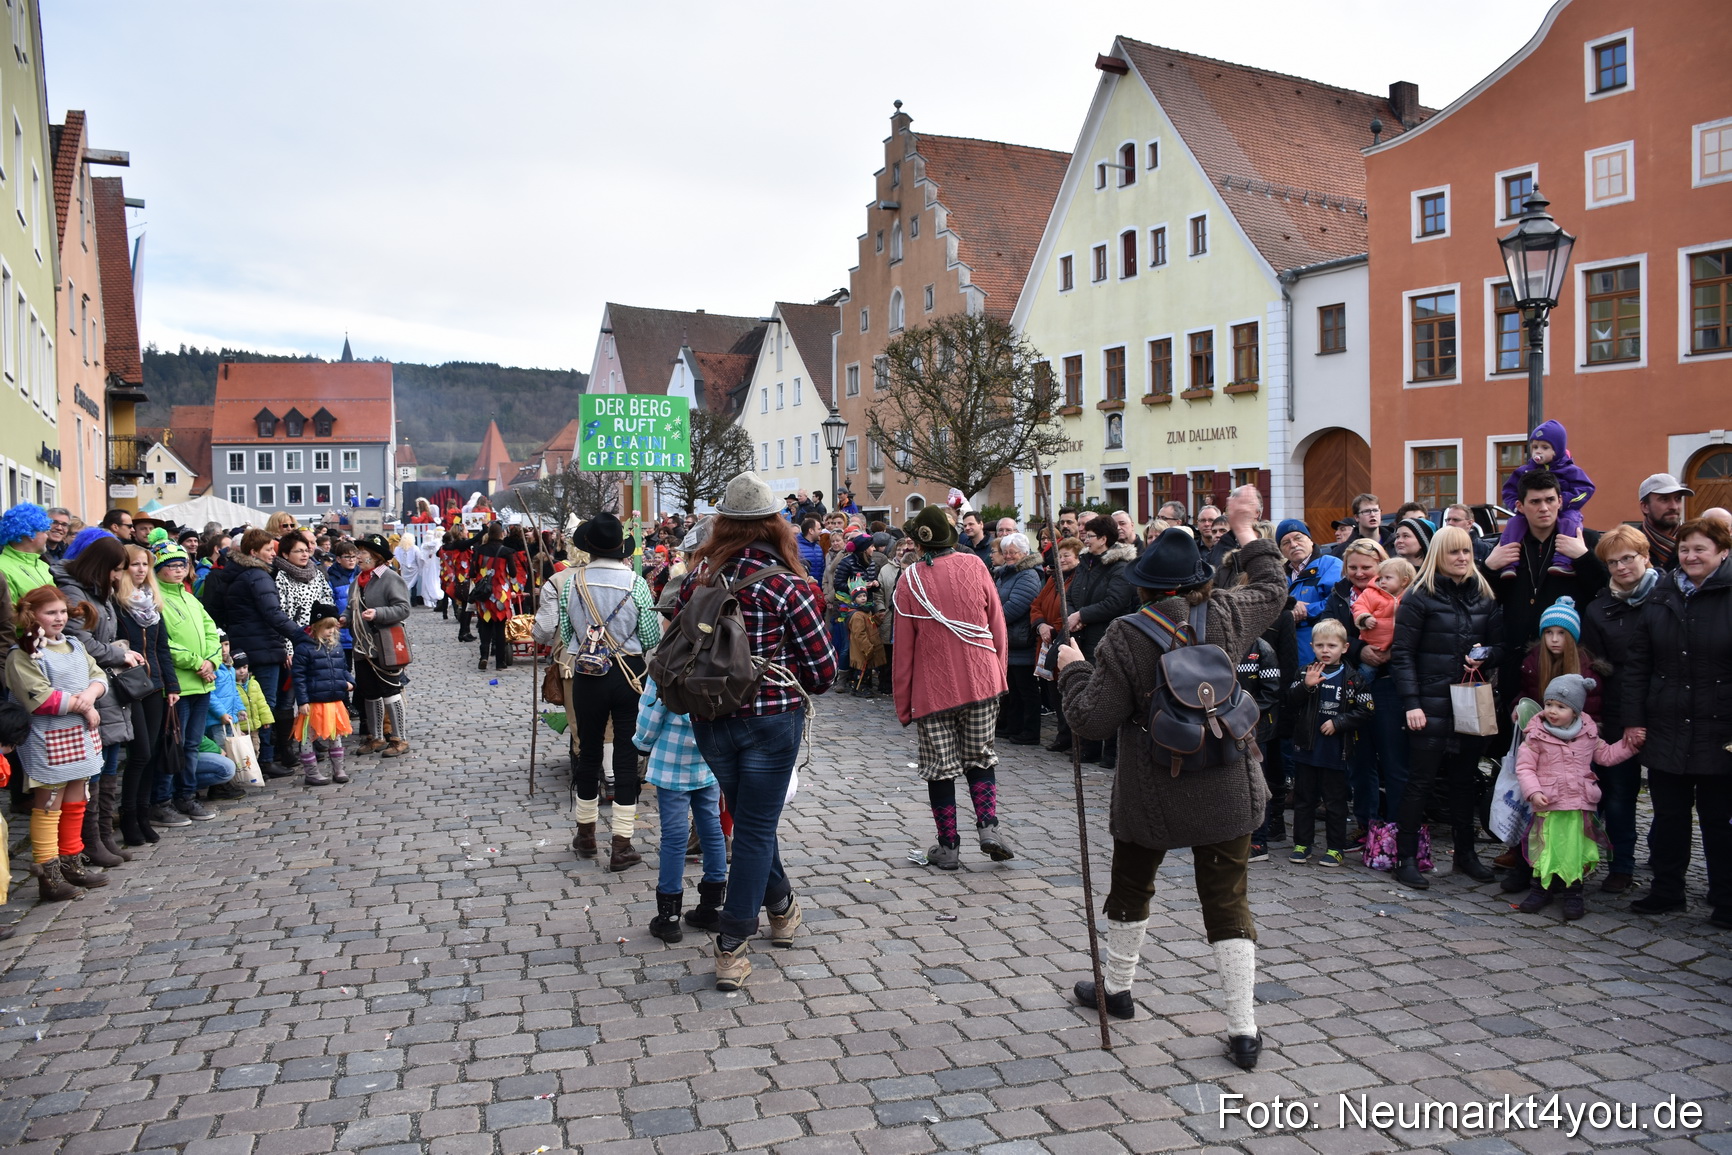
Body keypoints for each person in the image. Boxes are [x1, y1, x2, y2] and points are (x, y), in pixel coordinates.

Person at [1055, 486, 1279, 1069]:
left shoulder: (1126, 635)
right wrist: (1246, 527)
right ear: (1201, 580)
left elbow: (1090, 719)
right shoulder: (1228, 612)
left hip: (1152, 788)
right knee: (1228, 901)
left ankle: (1120, 991)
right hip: (1227, 780)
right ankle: (1243, 1028)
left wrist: (1074, 670)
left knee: (1131, 885)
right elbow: (1275, 586)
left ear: (1146, 586)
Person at [676, 471, 838, 991]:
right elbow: (823, 673)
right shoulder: (788, 584)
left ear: (722, 525)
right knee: (752, 827)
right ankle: (732, 943)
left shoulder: (697, 580)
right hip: (769, 718)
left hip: (710, 717)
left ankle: (784, 907)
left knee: (749, 822)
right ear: (776, 524)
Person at [1621, 517, 1732, 927]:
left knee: (1720, 821)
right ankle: (1667, 890)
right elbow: (1638, 664)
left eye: (1700, 549)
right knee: (1668, 816)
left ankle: (1726, 898)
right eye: (1685, 549)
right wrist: (1634, 719)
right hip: (1667, 724)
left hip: (1720, 728)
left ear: (1722, 552)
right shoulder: (1663, 595)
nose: (1691, 557)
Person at [533, 513, 659, 871]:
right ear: (622, 548)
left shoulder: (572, 583)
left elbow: (568, 635)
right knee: (624, 753)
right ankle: (621, 844)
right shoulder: (636, 583)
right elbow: (650, 637)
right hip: (628, 674)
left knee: (587, 750)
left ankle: (585, 834)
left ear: (588, 548)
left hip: (586, 673)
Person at [892, 505, 1013, 871]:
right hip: (982, 679)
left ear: (920, 542)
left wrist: (903, 703)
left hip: (933, 690)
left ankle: (948, 846)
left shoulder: (908, 580)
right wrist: (999, 673)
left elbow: (904, 649)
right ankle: (988, 826)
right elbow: (998, 626)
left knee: (940, 768)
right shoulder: (976, 565)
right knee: (980, 756)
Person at [1390, 526, 1503, 891]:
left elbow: (1502, 644)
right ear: (1440, 554)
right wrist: (1412, 704)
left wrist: (1484, 655)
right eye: (1454, 552)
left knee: (1464, 782)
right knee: (1420, 782)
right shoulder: (1419, 597)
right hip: (1429, 704)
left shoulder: (1484, 595)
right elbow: (1402, 653)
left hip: (1468, 704)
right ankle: (1405, 857)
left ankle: (1465, 855)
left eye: (1467, 551)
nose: (1462, 558)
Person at [7, 585, 112, 902]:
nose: (59, 618)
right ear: (32, 614)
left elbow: (98, 676)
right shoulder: (22, 655)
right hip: (47, 738)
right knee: (49, 805)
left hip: (81, 734)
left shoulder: (75, 645)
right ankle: (49, 874)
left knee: (77, 800)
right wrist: (83, 705)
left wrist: (91, 697)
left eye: (62, 611)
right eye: (50, 612)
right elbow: (38, 697)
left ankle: (72, 862)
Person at [1512, 674, 1641, 920]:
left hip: (1579, 806)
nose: (1552, 711)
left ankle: (1573, 892)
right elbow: (1525, 767)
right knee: (1546, 848)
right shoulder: (1536, 735)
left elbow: (1606, 756)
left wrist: (1630, 746)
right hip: (1549, 805)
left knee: (1574, 850)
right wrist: (1534, 791)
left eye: (1560, 707)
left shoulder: (1588, 735)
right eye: (1549, 704)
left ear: (1576, 710)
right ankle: (1541, 888)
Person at [57, 535, 147, 865]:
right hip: (88, 685)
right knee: (94, 768)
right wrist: (118, 654)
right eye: (117, 569)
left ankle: (103, 836)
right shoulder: (75, 593)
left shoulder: (100, 593)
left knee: (110, 763)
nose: (118, 576)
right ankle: (89, 841)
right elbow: (80, 643)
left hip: (107, 684)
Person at [1577, 525, 1657, 893]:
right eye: (1613, 562)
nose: (1622, 567)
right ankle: (1620, 865)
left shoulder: (1668, 598)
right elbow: (1597, 667)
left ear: (1645, 557)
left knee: (1670, 798)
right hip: (1616, 712)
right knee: (1620, 795)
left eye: (1629, 558)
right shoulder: (1598, 608)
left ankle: (1665, 866)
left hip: (1664, 708)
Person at [633, 673, 728, 943]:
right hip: (707, 754)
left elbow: (651, 712)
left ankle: (669, 918)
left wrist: (641, 743)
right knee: (711, 829)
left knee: (674, 836)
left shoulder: (666, 662)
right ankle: (711, 908)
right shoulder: (716, 656)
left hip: (671, 759)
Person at [1285, 618, 1374, 868]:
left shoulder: (1354, 678)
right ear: (1312, 646)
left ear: (1344, 648)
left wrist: (1339, 722)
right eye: (1320, 645)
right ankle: (1302, 844)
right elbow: (1290, 702)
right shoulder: (1305, 672)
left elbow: (1366, 710)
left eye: (1332, 646)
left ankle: (1335, 847)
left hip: (1336, 752)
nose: (1326, 651)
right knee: (1304, 799)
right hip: (1306, 750)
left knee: (1335, 802)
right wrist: (1306, 687)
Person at [223, 530, 307, 773]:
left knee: (257, 703)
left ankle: (264, 756)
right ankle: (265, 760)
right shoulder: (257, 576)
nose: (273, 554)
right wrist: (299, 635)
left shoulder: (238, 574)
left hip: (250, 645)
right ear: (253, 552)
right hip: (263, 648)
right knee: (265, 706)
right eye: (269, 549)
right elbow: (273, 613)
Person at [154, 547, 223, 825]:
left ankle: (187, 795)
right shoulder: (156, 599)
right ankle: (162, 800)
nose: (179, 569)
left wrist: (212, 661)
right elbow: (163, 642)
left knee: (192, 745)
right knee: (174, 745)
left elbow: (210, 631)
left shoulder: (190, 597)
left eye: (182, 564)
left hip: (202, 684)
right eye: (171, 565)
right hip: (179, 685)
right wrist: (196, 662)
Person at [112, 544, 175, 846]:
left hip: (155, 684)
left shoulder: (151, 604)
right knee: (140, 755)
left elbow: (161, 648)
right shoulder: (117, 605)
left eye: (144, 565)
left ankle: (143, 812)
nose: (140, 570)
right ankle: (129, 816)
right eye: (133, 565)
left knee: (150, 755)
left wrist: (171, 686)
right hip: (129, 686)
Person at [1064, 516, 1138, 766]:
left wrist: (1082, 615)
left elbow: (1115, 602)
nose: (1085, 538)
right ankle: (1088, 747)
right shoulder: (1085, 563)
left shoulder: (1120, 566)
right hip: (1082, 636)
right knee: (1085, 688)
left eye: (1090, 535)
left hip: (1105, 636)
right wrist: (1075, 614)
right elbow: (1073, 593)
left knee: (1106, 694)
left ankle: (1110, 752)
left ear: (1104, 539)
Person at [1495, 421, 1595, 578]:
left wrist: (1566, 502)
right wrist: (1516, 507)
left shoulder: (1570, 470)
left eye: (1545, 447)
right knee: (1514, 523)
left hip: (1566, 509)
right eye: (1535, 447)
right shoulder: (1525, 471)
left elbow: (1586, 489)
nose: (1538, 451)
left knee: (1570, 523)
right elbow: (1508, 491)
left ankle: (1563, 561)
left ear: (1557, 450)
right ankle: (1509, 564)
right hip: (1526, 514)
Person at [347, 533, 412, 758]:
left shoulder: (390, 578)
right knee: (369, 692)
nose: (357, 557)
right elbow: (351, 608)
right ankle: (376, 737)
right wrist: (344, 618)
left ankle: (399, 738)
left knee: (390, 690)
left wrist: (378, 613)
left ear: (376, 557)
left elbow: (403, 608)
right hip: (361, 647)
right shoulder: (358, 581)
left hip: (385, 644)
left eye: (362, 553)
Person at [292, 607, 354, 786]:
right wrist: (302, 700)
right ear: (316, 627)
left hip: (333, 700)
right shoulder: (304, 648)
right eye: (328, 628)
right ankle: (311, 772)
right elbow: (299, 677)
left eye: (334, 628)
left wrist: (350, 682)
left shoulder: (336, 646)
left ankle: (339, 769)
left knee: (335, 736)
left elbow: (343, 669)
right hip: (313, 702)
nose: (332, 632)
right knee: (308, 736)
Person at [993, 532, 1044, 746]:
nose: (1008, 556)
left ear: (1024, 552)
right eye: (1005, 553)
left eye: (1012, 552)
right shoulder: (1006, 573)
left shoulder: (1028, 574)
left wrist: (994, 619)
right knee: (1012, 688)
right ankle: (1013, 726)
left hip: (1021, 638)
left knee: (1026, 689)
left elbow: (1018, 604)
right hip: (1010, 639)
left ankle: (1030, 730)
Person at [1032, 537, 1082, 752]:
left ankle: (1074, 738)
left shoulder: (1078, 580)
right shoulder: (1053, 579)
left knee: (1068, 690)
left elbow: (1071, 610)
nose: (1061, 560)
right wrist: (1041, 625)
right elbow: (1036, 604)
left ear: (1078, 558)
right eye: (1059, 556)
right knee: (1053, 691)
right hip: (1045, 640)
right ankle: (1063, 735)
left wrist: (1055, 630)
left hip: (1064, 641)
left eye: (1067, 556)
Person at [1275, 519, 1342, 666]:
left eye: (1298, 538)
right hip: (1286, 652)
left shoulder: (1331, 564)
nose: (1293, 544)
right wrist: (1289, 607)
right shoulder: (1277, 576)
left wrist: (1306, 610)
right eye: (1286, 542)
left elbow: (1337, 601)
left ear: (1310, 540)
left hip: (1322, 650)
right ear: (1281, 550)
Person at [472, 522, 523, 671]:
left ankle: (484, 656)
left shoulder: (480, 550)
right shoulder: (506, 551)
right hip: (500, 593)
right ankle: (500, 662)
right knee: (500, 628)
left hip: (484, 593)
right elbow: (513, 573)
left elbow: (473, 571)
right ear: (501, 534)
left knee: (485, 626)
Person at [1353, 558, 1415, 654]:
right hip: (1373, 646)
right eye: (1380, 577)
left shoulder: (1411, 596)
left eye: (1388, 578)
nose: (1382, 581)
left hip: (1401, 647)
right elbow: (1359, 606)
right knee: (1367, 669)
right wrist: (1365, 619)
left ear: (1404, 581)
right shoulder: (1371, 593)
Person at [1635, 473, 1692, 572]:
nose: (1674, 506)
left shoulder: (1698, 541)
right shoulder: (1630, 545)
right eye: (1664, 499)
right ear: (1645, 507)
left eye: (1678, 499)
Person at [0, 503, 57, 598]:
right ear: (31, 535)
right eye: (44, 532)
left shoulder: (43, 565)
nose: (47, 536)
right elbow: (7, 611)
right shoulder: (2, 568)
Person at [796, 518, 826, 589]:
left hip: (817, 589)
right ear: (811, 531)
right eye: (819, 529)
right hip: (803, 588)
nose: (821, 531)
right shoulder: (796, 547)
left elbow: (822, 570)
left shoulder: (818, 548)